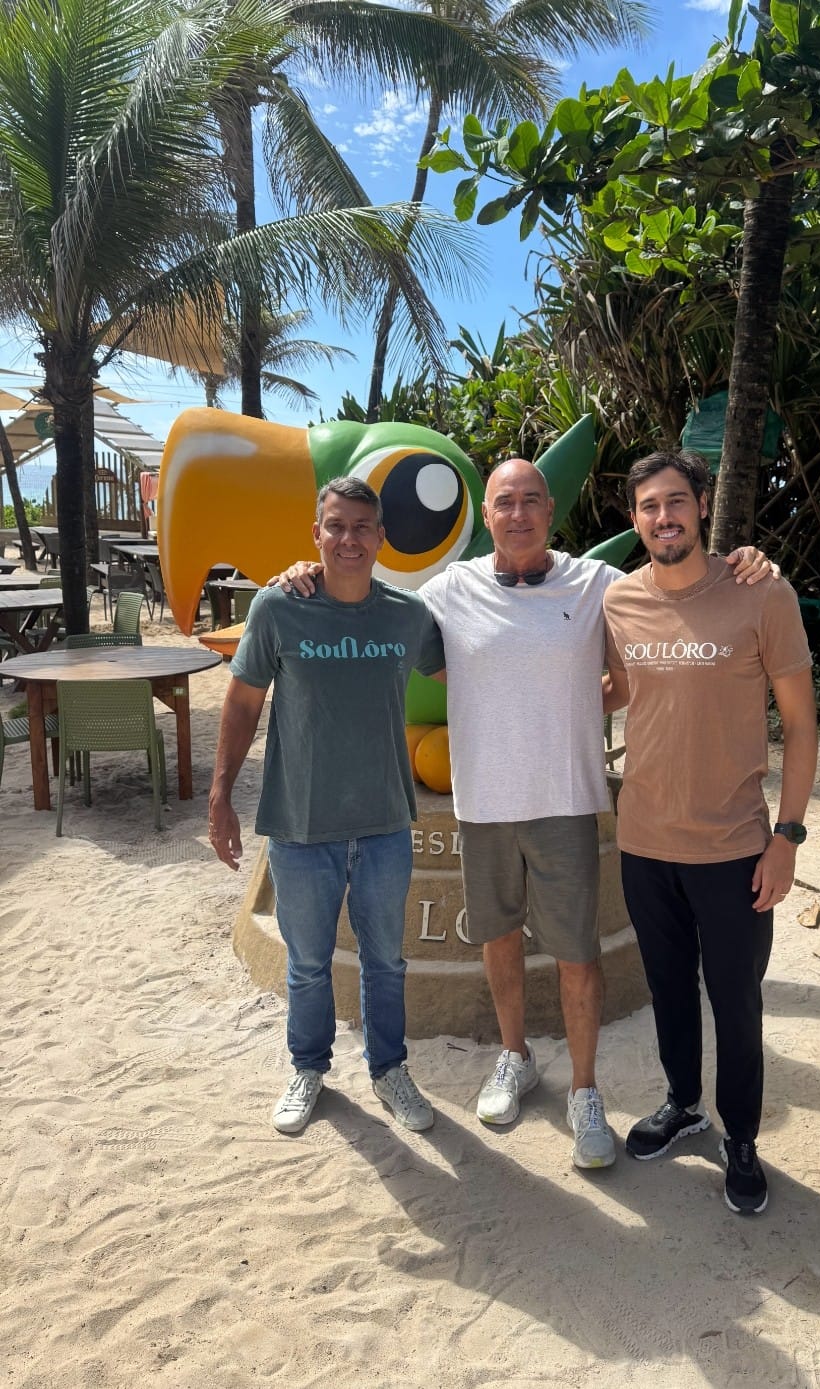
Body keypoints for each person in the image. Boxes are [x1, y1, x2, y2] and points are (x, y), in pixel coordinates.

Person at [276, 457, 773, 1169]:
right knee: (499, 939)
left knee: (577, 953)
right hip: (483, 804)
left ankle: (585, 1090)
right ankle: (515, 1057)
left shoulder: (597, 584)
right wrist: (304, 572)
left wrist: (745, 563)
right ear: (486, 515)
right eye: (504, 502)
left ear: (550, 511)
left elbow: (669, 603)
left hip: (565, 800)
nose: (518, 514)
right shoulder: (449, 589)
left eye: (531, 500)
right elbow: (365, 598)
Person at [602, 449, 817, 1215]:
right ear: (635, 520)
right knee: (667, 988)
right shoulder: (619, 600)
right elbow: (618, 687)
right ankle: (683, 1103)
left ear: (701, 504)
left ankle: (743, 1138)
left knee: (736, 1000)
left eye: (674, 501)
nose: (663, 517)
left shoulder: (761, 592)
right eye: (648, 506)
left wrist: (787, 836)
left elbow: (801, 725)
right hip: (644, 842)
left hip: (734, 848)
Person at [208, 476, 446, 1137]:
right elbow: (243, 702)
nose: (348, 538)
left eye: (361, 526)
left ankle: (389, 1069)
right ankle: (308, 1068)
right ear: (316, 534)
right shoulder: (278, 607)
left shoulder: (406, 616)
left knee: (386, 962)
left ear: (381, 538)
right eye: (335, 525)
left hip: (384, 825)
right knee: (308, 964)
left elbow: (469, 668)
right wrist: (221, 795)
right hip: (300, 824)